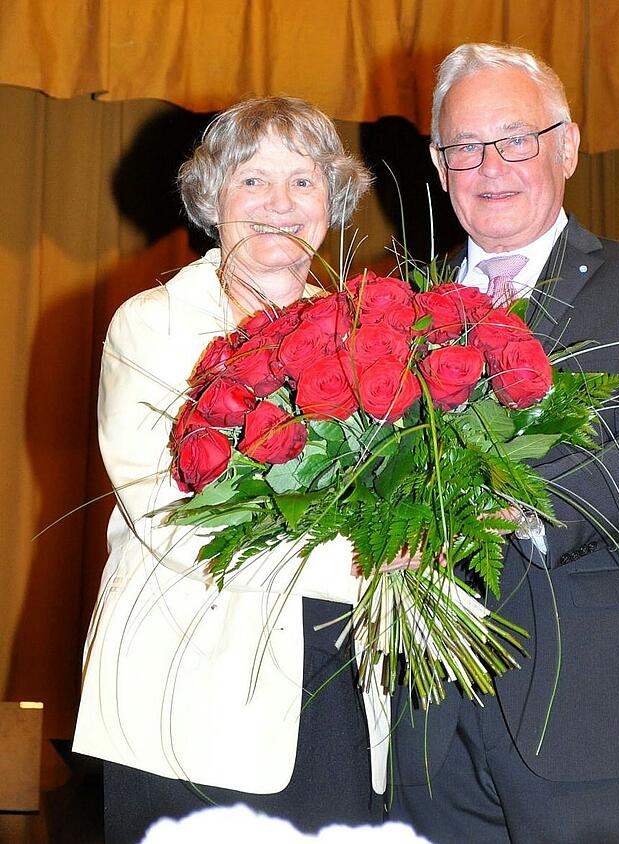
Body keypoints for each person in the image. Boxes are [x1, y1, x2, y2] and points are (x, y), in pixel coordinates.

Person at [388, 43, 619, 843]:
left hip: (589, 712)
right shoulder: (392, 307)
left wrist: (513, 513)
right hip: (420, 724)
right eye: (462, 147)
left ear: (566, 146)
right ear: (437, 165)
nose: (489, 166)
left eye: (515, 138)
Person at [73, 96, 388, 843]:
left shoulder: (369, 335)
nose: (281, 203)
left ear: (333, 201)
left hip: (336, 697)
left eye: (305, 181)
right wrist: (374, 557)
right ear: (212, 199)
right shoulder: (156, 326)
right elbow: (180, 516)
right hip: (190, 702)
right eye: (253, 180)